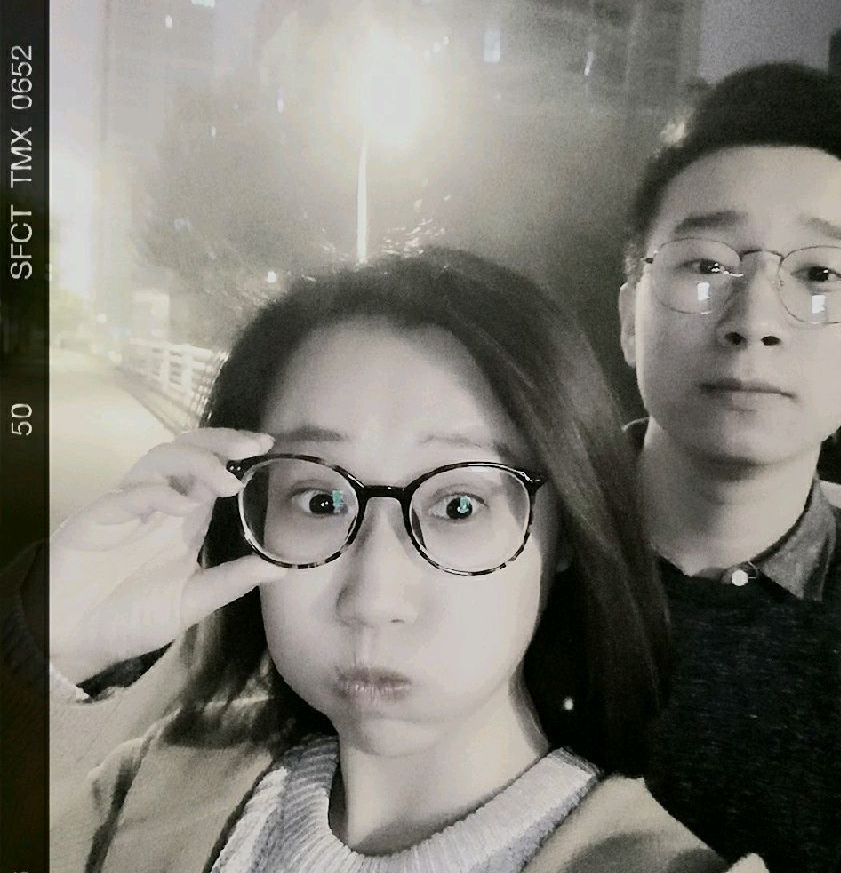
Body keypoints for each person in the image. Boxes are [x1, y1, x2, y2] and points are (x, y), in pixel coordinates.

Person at [4, 248, 766, 873]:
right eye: (318, 499)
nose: (372, 597)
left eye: (458, 506)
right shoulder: (160, 780)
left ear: (567, 528)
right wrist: (48, 648)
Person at [617, 62, 841, 873]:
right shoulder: (482, 554)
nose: (755, 319)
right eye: (706, 264)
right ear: (629, 315)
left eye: (820, 274)